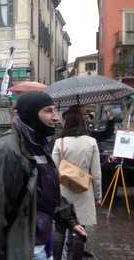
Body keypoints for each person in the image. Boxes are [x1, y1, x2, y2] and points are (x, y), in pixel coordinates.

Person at [0, 91, 61, 260]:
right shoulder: (6, 151)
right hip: (20, 249)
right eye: (48, 111)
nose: (56, 117)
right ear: (31, 114)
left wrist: (68, 217)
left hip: (39, 242)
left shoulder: (39, 144)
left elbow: (45, 191)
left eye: (55, 110)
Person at [52, 109, 102, 259]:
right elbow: (96, 173)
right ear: (82, 121)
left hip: (63, 192)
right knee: (79, 231)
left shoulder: (59, 142)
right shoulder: (91, 142)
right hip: (84, 192)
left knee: (60, 229)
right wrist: (97, 195)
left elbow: (53, 170)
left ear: (67, 122)